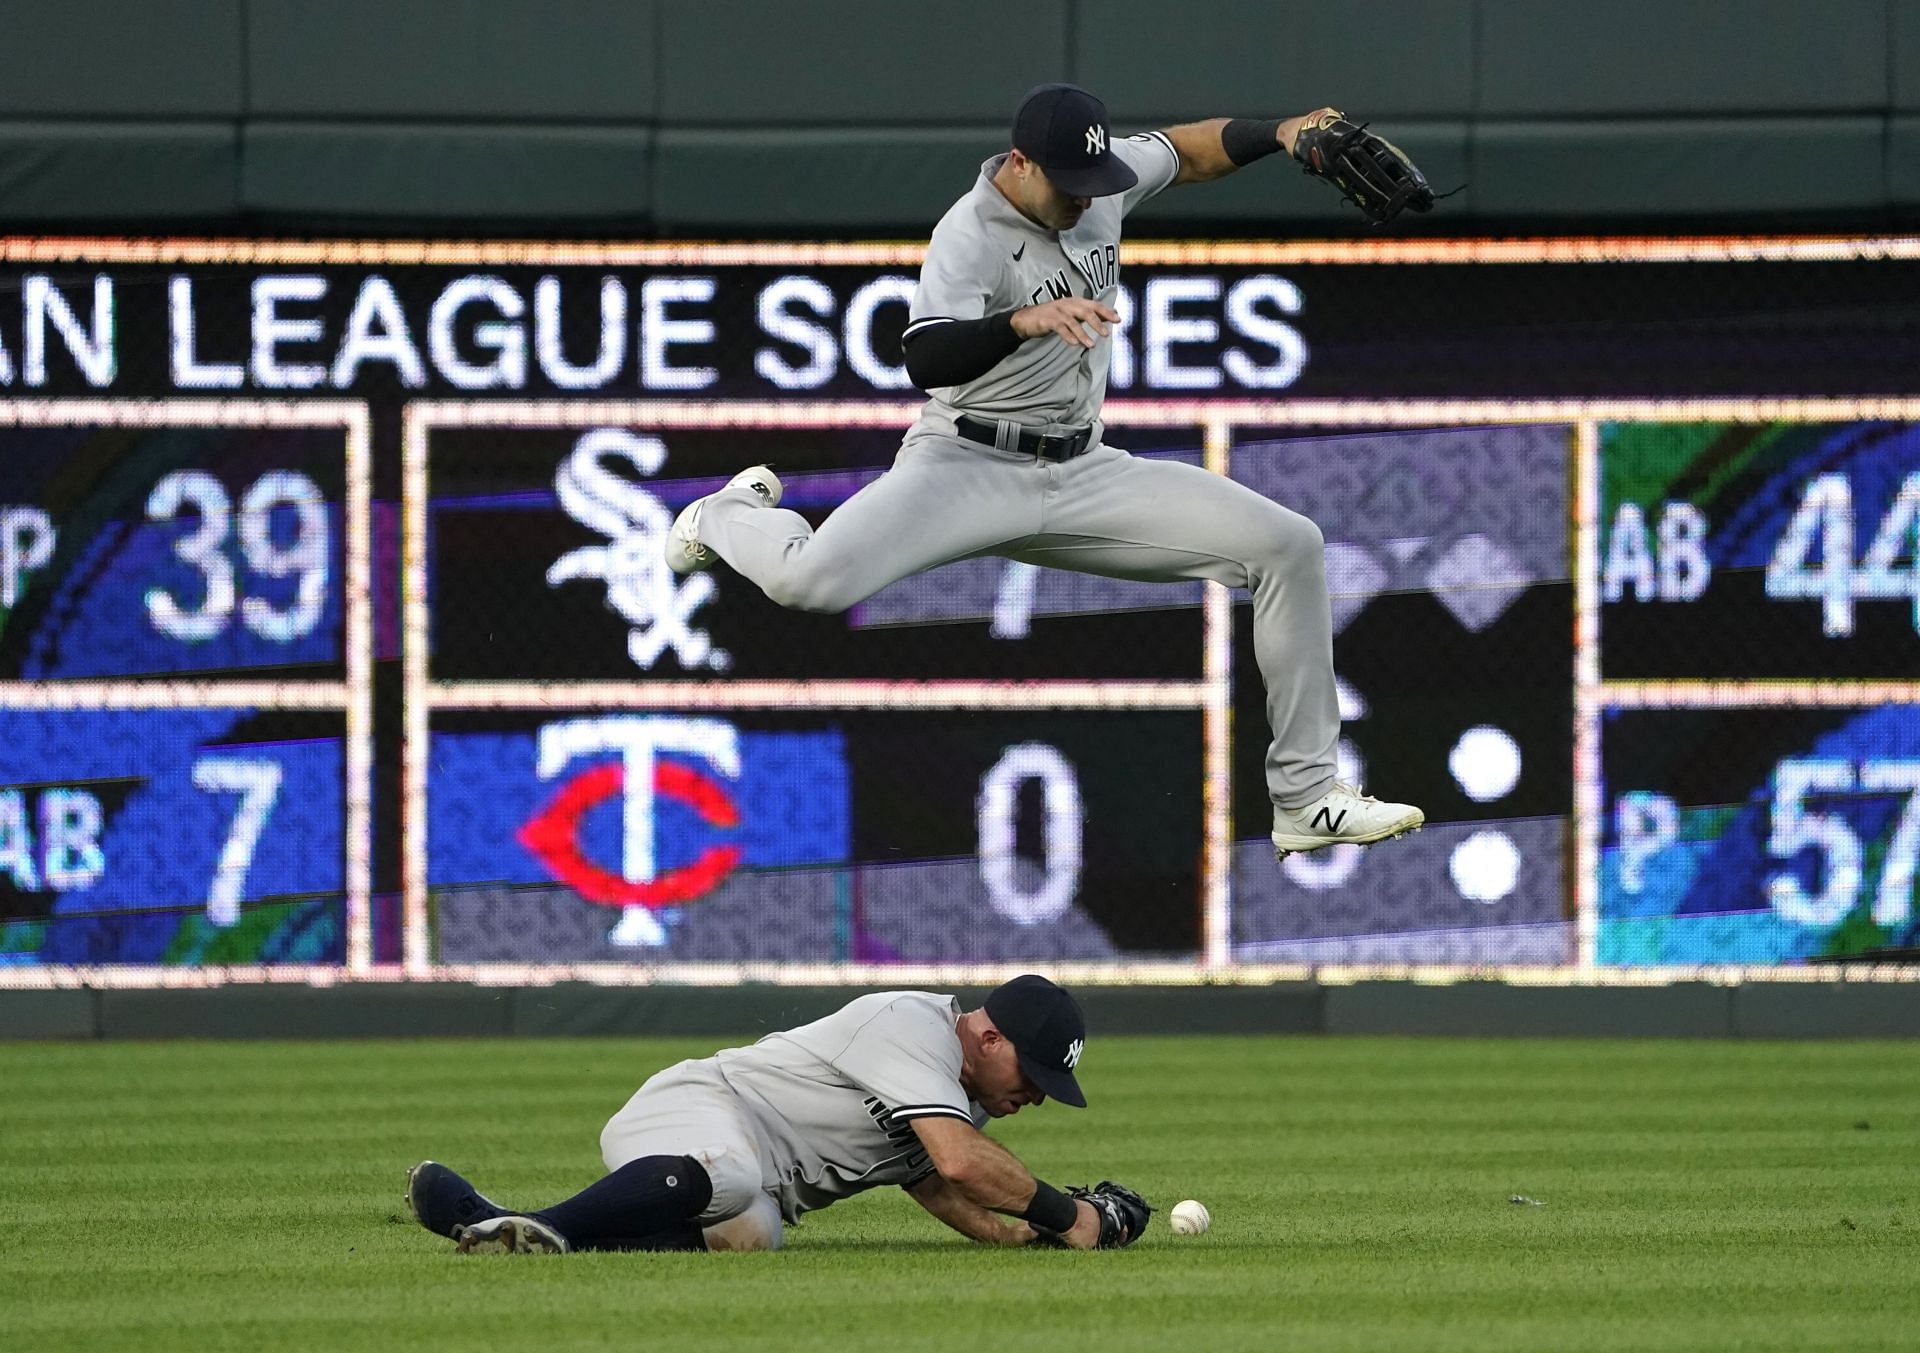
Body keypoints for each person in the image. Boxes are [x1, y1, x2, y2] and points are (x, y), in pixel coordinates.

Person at [666, 84, 1423, 860]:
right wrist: (1019, 321)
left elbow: (1190, 150)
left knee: (1288, 544)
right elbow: (922, 355)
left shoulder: (1094, 182)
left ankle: (1306, 797)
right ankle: (724, 514)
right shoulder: (969, 234)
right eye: (1066, 184)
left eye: (1092, 182)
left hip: (1084, 470)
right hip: (964, 466)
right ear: (1020, 163)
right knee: (807, 582)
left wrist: (1284, 132)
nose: (1083, 200)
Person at [405, 975, 1148, 1253]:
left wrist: (1025, 1235)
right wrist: (1070, 1214)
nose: (1040, 1094)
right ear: (987, 1036)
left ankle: (495, 1224)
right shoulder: (911, 1023)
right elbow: (956, 1160)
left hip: (730, 1173)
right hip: (696, 1109)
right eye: (1035, 1071)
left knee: (751, 1231)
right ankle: (549, 1222)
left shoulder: (960, 1097)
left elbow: (937, 1184)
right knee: (732, 1176)